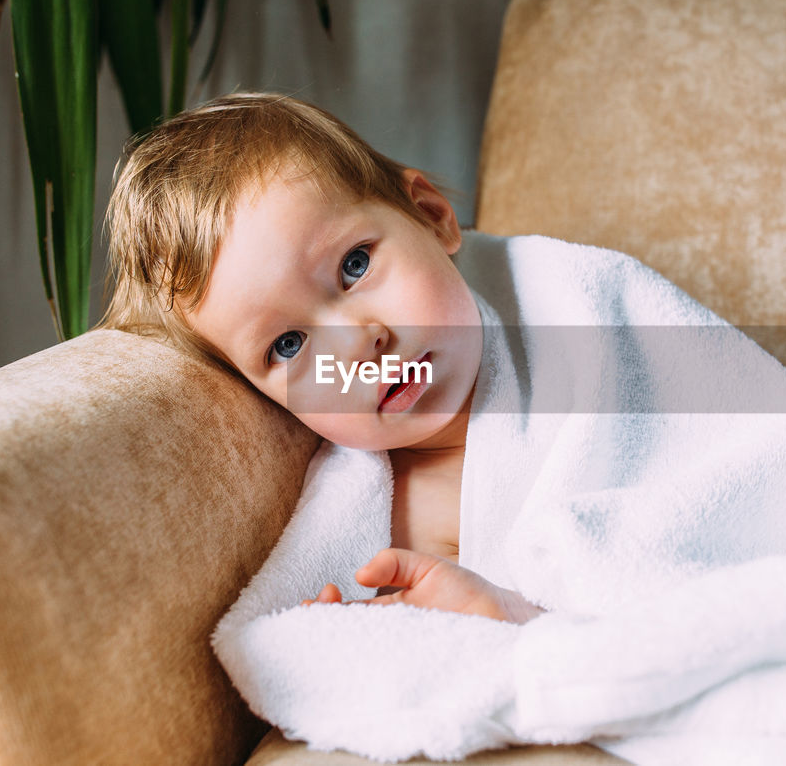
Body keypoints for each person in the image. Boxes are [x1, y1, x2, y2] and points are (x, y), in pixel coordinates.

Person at [103, 91, 555, 625]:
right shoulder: (379, 542)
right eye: (288, 345)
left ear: (431, 216)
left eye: (355, 265)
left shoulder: (585, 330)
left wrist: (520, 616)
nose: (359, 343)